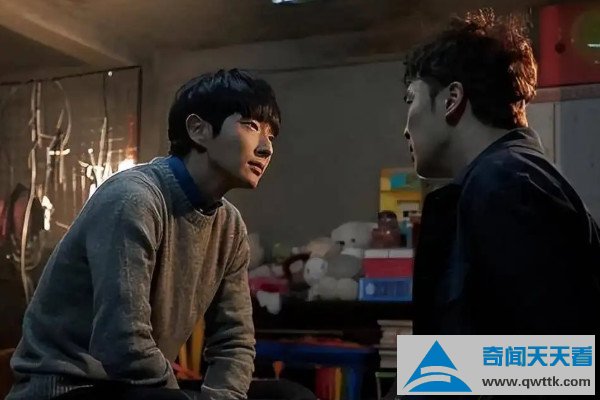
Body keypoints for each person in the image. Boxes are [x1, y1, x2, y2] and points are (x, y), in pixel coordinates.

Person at [7, 69, 281, 400]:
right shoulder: (134, 199)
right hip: (67, 386)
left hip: (139, 387)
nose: (266, 148)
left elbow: (234, 339)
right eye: (251, 126)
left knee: (288, 395)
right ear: (198, 129)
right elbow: (121, 341)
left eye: (271, 135)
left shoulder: (230, 226)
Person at [386, 8, 600, 399]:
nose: (405, 127)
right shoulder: (505, 177)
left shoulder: (505, 183)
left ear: (452, 99)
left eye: (411, 99)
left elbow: (561, 367)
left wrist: (428, 380)